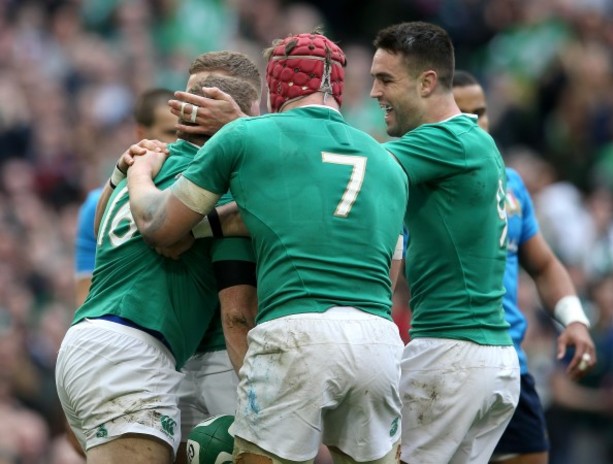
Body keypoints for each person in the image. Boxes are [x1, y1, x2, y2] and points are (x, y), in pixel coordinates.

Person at [125, 31, 407, 464]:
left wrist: (138, 173)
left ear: (274, 89)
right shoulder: (390, 163)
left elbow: (158, 227)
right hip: (378, 340)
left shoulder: (248, 137)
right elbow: (390, 269)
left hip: (295, 330)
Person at [56, 73, 259, 464]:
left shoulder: (139, 171)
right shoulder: (217, 183)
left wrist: (127, 171)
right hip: (132, 353)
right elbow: (272, 213)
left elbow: (102, 229)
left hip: (89, 343)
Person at [369, 22, 520, 464]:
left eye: (386, 79)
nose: (375, 92)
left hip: (451, 353)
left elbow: (351, 165)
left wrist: (257, 134)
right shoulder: (476, 140)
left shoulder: (445, 140)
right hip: (488, 355)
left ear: (427, 81)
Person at [452, 70, 597, 464]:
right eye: (460, 113)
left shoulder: (511, 185)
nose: (475, 123)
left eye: (480, 112)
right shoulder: (416, 178)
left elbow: (545, 265)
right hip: (447, 362)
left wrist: (575, 319)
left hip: (509, 362)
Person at [74, 88, 177, 306]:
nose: (179, 142)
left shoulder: (202, 193)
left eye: (185, 132)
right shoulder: (98, 205)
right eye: (170, 132)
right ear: (141, 134)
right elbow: (86, 297)